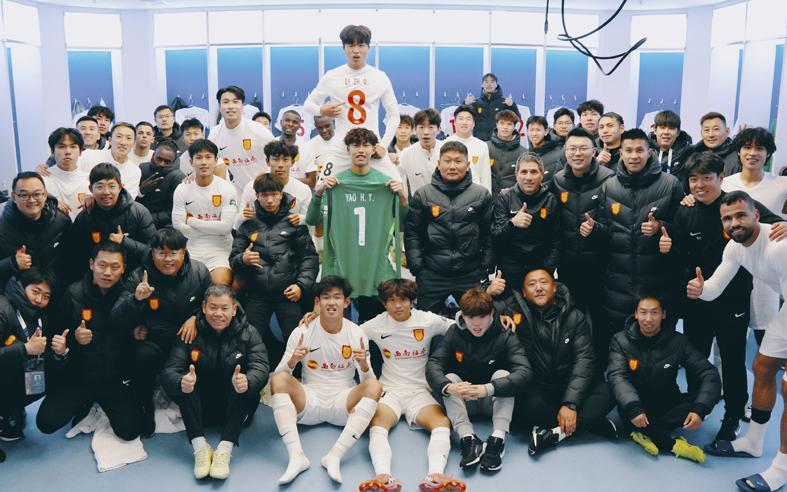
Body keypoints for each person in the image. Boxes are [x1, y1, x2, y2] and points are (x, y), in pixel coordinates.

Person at [665, 152, 785, 443]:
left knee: (732, 360)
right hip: (698, 297)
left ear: (721, 178)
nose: (699, 185)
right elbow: (676, 252)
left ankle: (732, 416)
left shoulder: (737, 205)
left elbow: (770, 223)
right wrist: (666, 247)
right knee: (695, 357)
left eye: (707, 178)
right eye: (694, 179)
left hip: (733, 299)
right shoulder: (684, 210)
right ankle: (697, 406)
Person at [686, 191, 787, 492]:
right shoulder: (735, 248)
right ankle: (753, 442)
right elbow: (714, 289)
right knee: (763, 367)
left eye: (741, 215)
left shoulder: (778, 246)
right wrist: (700, 289)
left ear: (757, 215)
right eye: (727, 218)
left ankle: (781, 469)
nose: (734, 223)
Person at [356, 279, 466, 492]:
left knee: (442, 423)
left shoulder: (427, 320)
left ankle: (436, 476)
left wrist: (497, 318)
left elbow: (461, 326)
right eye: (391, 300)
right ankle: (383, 476)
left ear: (412, 301)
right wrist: (315, 318)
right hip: (390, 390)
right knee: (377, 424)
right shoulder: (376, 324)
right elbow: (346, 332)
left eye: (403, 300)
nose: (398, 305)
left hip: (419, 391)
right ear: (384, 303)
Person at [270, 276, 382, 485]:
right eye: (326, 297)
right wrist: (293, 360)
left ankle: (335, 455)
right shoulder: (302, 331)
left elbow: (369, 382)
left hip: (342, 404)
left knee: (375, 386)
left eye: (337, 297)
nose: (331, 302)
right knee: (278, 380)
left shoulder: (356, 333)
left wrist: (364, 365)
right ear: (317, 302)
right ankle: (296, 457)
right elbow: (279, 376)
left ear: (346, 302)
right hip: (309, 402)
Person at [586, 128, 684, 363]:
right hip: (617, 283)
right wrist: (593, 229)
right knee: (621, 350)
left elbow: (683, 227)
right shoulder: (609, 186)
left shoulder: (670, 184)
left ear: (649, 152)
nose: (634, 156)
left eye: (639, 150)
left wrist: (661, 226)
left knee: (658, 353)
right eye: (628, 150)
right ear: (621, 152)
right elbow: (606, 232)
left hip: (657, 284)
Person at [495, 269, 617, 455]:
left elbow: (584, 360)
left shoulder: (575, 316)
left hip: (569, 384)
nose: (538, 288)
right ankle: (588, 423)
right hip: (537, 387)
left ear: (554, 288)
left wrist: (570, 404)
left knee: (608, 392)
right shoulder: (512, 310)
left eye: (544, 282)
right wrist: (497, 315)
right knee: (525, 405)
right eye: (532, 284)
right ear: (524, 293)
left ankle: (555, 433)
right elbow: (476, 312)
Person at [162, 285, 268, 480]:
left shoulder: (249, 332)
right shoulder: (190, 332)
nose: (218, 313)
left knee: (242, 383)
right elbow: (170, 370)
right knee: (186, 383)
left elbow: (260, 366)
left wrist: (247, 381)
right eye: (213, 307)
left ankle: (224, 450)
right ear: (203, 307)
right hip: (201, 410)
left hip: (234, 409)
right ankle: (200, 448)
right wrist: (180, 382)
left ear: (234, 309)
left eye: (224, 308)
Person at [36, 243, 141, 442]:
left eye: (115, 267)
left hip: (113, 379)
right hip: (78, 376)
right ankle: (85, 405)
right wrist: (73, 341)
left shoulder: (130, 297)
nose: (107, 272)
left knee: (131, 431)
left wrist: (140, 332)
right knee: (46, 423)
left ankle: (101, 406)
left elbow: (136, 337)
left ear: (123, 269)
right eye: (102, 265)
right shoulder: (72, 293)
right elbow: (56, 337)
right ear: (92, 264)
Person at [113, 227, 211, 436]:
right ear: (152, 253)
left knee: (208, 411)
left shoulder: (200, 272)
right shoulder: (139, 277)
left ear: (183, 252)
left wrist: (196, 318)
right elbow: (117, 318)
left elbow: (212, 308)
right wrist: (136, 300)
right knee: (141, 354)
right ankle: (144, 403)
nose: (167, 259)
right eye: (161, 253)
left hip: (188, 343)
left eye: (173, 253)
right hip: (155, 342)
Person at [306, 128, 407, 323]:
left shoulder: (386, 184)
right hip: (341, 265)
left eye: (366, 145)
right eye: (355, 145)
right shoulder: (335, 184)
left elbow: (403, 221)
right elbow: (311, 219)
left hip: (376, 266)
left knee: (373, 329)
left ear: (373, 149)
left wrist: (402, 197)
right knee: (339, 329)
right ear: (348, 149)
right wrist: (319, 193)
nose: (361, 150)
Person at [607, 292, 720, 463]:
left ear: (663, 314)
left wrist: (700, 410)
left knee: (700, 399)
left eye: (654, 312)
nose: (648, 319)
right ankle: (670, 443)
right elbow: (617, 376)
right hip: (636, 406)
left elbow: (709, 373)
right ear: (636, 314)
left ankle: (645, 432)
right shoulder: (620, 340)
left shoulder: (678, 341)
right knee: (617, 394)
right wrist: (633, 407)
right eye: (643, 312)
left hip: (667, 404)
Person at [426, 288, 531, 472]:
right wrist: (449, 388)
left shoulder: (505, 332)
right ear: (462, 315)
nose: (476, 323)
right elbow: (434, 364)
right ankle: (468, 439)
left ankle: (497, 439)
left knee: (503, 375)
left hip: (493, 401)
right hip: (465, 401)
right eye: (470, 317)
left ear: (492, 314)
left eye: (482, 316)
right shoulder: (454, 332)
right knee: (449, 379)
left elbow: (524, 371)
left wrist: (488, 388)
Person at [230, 174, 318, 369]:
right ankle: (253, 376)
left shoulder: (295, 223)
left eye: (274, 194)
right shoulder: (247, 224)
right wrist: (243, 260)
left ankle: (299, 376)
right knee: (249, 338)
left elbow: (309, 258)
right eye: (264, 195)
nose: (269, 200)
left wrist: (300, 286)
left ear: (281, 195)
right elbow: (233, 259)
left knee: (296, 336)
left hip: (288, 293)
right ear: (257, 196)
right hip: (257, 293)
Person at [405, 141, 494, 315]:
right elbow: (412, 233)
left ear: (468, 165)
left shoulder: (481, 195)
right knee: (425, 324)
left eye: (458, 161)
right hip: (432, 274)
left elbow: (489, 234)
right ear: (439, 164)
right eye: (447, 161)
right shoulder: (423, 194)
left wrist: (486, 267)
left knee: (477, 320)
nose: (452, 166)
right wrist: (417, 267)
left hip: (470, 273)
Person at [304, 25, 400, 183]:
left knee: (398, 186)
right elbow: (308, 104)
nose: (356, 51)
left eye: (361, 45)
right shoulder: (332, 76)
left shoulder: (380, 77)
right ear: (344, 48)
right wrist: (322, 110)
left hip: (372, 146)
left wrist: (383, 145)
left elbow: (394, 115)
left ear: (368, 47)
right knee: (322, 187)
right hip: (341, 147)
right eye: (350, 45)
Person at [722, 128, 787, 351]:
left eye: (759, 148)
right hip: (734, 265)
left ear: (768, 153)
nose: (752, 153)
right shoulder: (724, 183)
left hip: (768, 271)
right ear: (738, 152)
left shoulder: (781, 184)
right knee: (728, 339)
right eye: (747, 147)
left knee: (767, 337)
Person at [550, 127, 614, 330]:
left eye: (583, 148)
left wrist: (596, 228)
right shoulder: (558, 180)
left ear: (594, 151)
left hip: (600, 265)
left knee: (600, 319)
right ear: (565, 151)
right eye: (572, 148)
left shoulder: (609, 179)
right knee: (571, 318)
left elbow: (617, 224)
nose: (577, 153)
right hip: (568, 264)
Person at [0, 268, 58, 441]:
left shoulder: (39, 314)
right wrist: (24, 349)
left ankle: (9, 409)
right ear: (21, 286)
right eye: (35, 292)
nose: (39, 300)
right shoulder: (3, 310)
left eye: (46, 296)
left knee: (54, 375)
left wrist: (60, 353)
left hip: (11, 373)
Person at [69, 163, 156, 280]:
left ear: (120, 187)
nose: (106, 192)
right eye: (100, 187)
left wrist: (125, 242)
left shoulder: (139, 212)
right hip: (96, 278)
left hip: (131, 278)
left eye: (111, 186)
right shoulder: (85, 217)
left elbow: (153, 251)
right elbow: (75, 255)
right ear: (90, 189)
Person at [172, 139, 238, 286]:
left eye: (208, 157)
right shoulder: (182, 189)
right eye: (199, 157)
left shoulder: (227, 189)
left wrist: (192, 221)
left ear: (216, 160)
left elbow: (226, 228)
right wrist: (214, 227)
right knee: (189, 285)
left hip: (220, 248)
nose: (204, 162)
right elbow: (178, 226)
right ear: (191, 162)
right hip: (191, 247)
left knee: (221, 283)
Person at [491, 153, 560, 292]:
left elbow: (556, 240)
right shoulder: (504, 197)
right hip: (510, 268)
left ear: (542, 174)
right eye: (524, 172)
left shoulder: (550, 199)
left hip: (540, 268)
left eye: (534, 172)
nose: (528, 177)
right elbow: (495, 236)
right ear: (516, 174)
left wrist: (547, 268)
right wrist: (512, 223)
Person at [0, 172, 71, 287]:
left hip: (55, 288)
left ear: (45, 195)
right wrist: (11, 263)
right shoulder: (3, 229)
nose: (32, 200)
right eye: (24, 195)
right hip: (18, 293)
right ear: (13, 197)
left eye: (37, 194)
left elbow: (73, 257)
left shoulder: (61, 221)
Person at [208, 85, 275, 195]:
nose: (230, 106)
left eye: (235, 102)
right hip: (238, 192)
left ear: (242, 106)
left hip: (265, 191)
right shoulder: (215, 134)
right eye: (225, 102)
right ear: (220, 107)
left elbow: (278, 154)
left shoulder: (258, 130)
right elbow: (207, 160)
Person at [234, 140, 312, 231]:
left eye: (285, 160)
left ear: (292, 162)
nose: (280, 165)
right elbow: (237, 225)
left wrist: (301, 219)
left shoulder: (303, 189)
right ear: (267, 161)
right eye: (275, 159)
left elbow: (310, 222)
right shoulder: (251, 187)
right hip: (259, 237)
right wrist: (242, 217)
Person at [77, 122, 142, 199]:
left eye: (128, 138)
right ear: (110, 140)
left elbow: (127, 199)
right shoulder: (88, 155)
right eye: (119, 136)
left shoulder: (134, 171)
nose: (123, 142)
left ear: (134, 143)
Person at [42, 128, 90, 220]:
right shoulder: (42, 179)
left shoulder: (89, 180)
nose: (68, 151)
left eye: (73, 147)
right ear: (52, 151)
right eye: (61, 146)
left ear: (80, 151)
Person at [136, 140, 185, 229]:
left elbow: (173, 212)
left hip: (163, 226)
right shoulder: (143, 168)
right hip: (138, 219)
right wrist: (141, 191)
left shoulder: (177, 177)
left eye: (167, 162)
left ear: (174, 162)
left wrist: (146, 219)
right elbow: (131, 200)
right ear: (153, 156)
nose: (161, 164)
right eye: (159, 159)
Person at [445, 106, 493, 192]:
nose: (464, 122)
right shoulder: (445, 144)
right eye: (461, 119)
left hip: (476, 194)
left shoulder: (482, 146)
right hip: (451, 191)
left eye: (468, 119)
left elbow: (485, 177)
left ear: (474, 123)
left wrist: (487, 196)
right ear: (454, 122)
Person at [398, 108, 443, 198]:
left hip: (445, 203)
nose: (426, 132)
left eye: (431, 127)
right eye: (421, 127)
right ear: (415, 129)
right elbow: (394, 176)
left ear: (439, 129)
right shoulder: (406, 154)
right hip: (419, 204)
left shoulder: (447, 150)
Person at [464, 73, 520, 141]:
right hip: (479, 142)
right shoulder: (475, 102)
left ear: (496, 85)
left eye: (492, 82)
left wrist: (512, 106)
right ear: (482, 85)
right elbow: (461, 117)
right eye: (486, 81)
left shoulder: (505, 102)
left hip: (499, 142)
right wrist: (465, 104)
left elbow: (518, 119)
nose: (489, 84)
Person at [688, 112, 741, 177]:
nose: (711, 135)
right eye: (706, 130)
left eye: (716, 129)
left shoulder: (737, 159)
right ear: (701, 133)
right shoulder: (694, 156)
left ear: (727, 131)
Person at [648, 110, 693, 186]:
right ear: (655, 130)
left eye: (671, 128)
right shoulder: (645, 151)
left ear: (678, 132)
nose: (666, 132)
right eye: (662, 127)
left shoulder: (688, 152)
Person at [488, 109, 526, 195]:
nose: (505, 127)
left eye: (509, 124)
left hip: (512, 198)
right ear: (496, 125)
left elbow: (524, 179)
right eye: (502, 123)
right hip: (487, 197)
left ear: (514, 126)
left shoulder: (523, 153)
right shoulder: (485, 147)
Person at [279, 110, 318, 189]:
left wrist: (284, 181)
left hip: (299, 194)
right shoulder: (271, 144)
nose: (290, 124)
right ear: (281, 122)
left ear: (299, 126)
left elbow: (312, 182)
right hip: (274, 193)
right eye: (287, 120)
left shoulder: (307, 147)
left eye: (295, 122)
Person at [524, 115, 562, 186]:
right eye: (531, 130)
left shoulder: (559, 154)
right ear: (527, 132)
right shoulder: (525, 156)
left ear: (546, 131)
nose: (534, 134)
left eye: (538, 130)